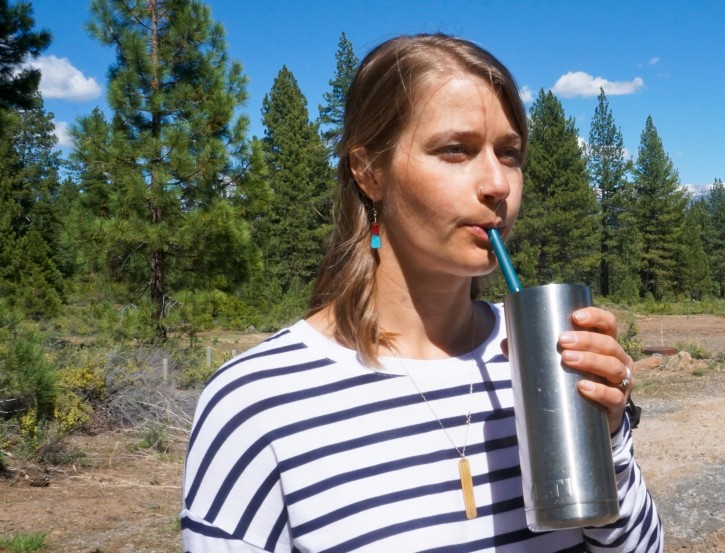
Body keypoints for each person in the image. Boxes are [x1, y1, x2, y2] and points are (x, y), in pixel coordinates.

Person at [181, 33, 663, 552]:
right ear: (369, 172)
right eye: (455, 150)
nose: (497, 184)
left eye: (510, 153)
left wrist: (606, 436)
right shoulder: (257, 402)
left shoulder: (545, 359)